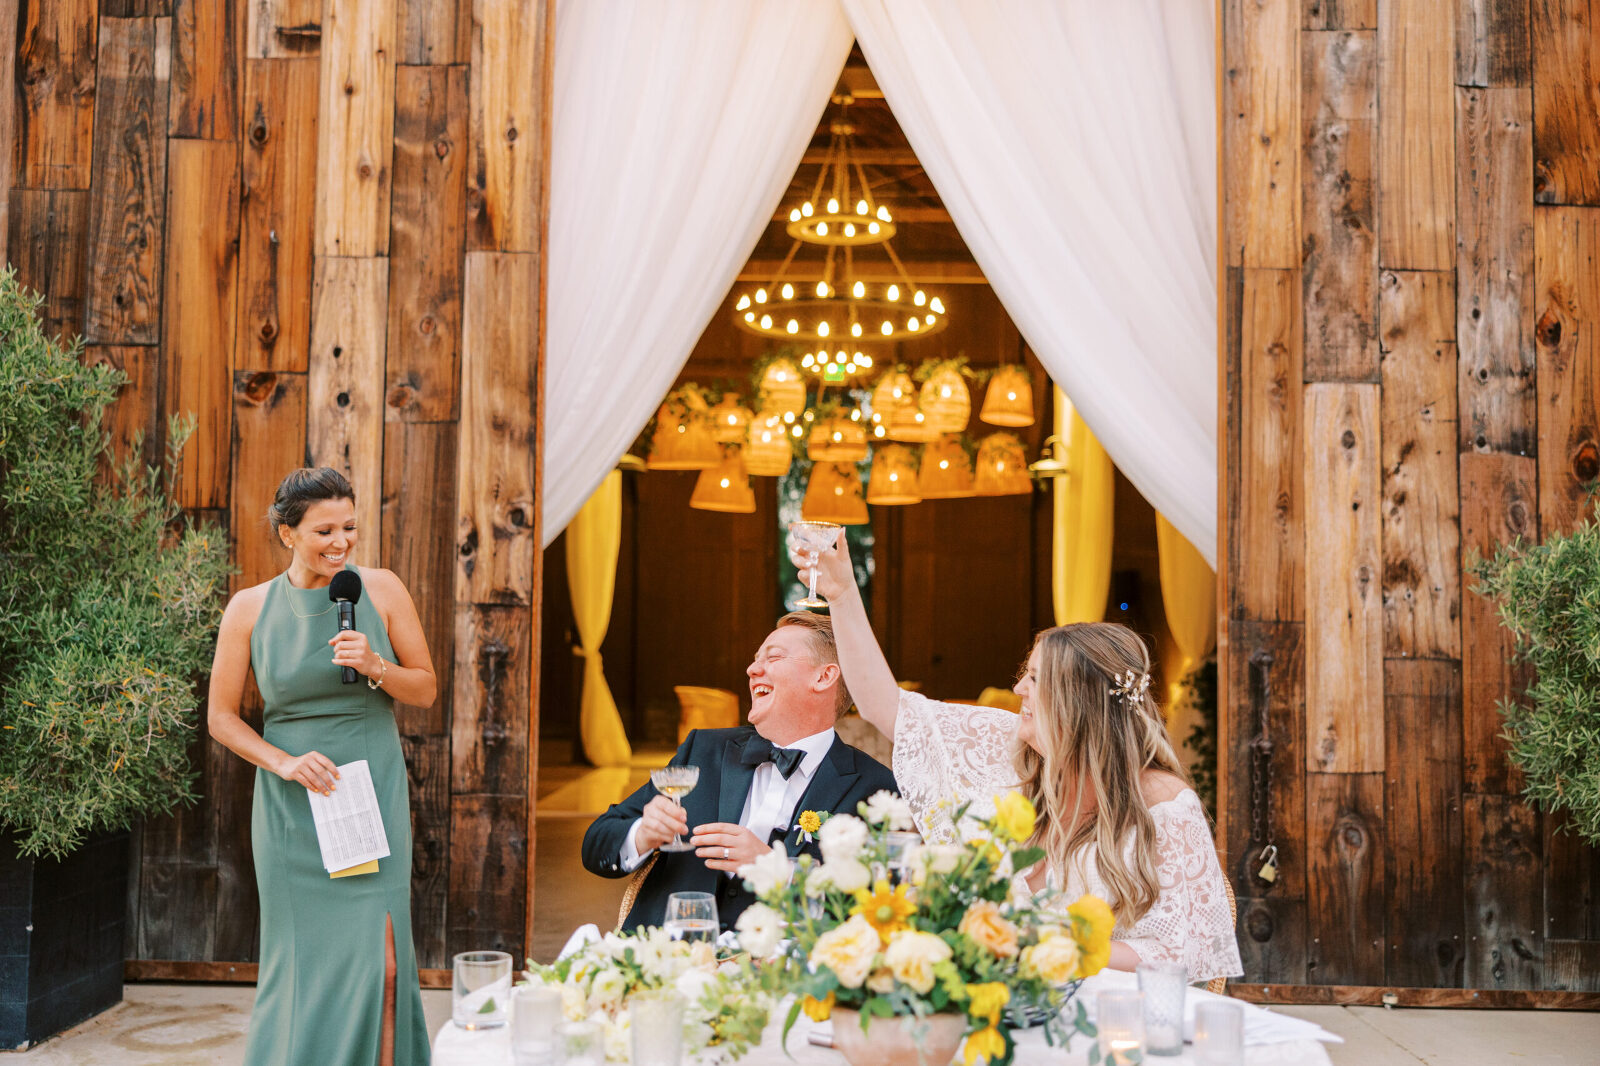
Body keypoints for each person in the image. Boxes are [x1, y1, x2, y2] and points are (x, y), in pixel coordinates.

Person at [795, 536, 1242, 983]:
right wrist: (842, 593)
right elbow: (882, 705)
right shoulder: (1005, 748)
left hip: (1104, 1016)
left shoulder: (1162, 803)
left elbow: (1183, 954)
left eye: (1035, 678)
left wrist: (1049, 943)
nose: (1020, 691)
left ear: (1077, 701)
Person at [209, 468, 434, 1065]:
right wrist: (282, 764)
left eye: (350, 528)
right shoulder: (248, 608)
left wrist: (375, 666)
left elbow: (426, 689)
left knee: (383, 964)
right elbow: (221, 719)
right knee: (300, 963)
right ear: (287, 533)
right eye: (324, 531)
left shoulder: (381, 589)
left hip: (370, 792)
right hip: (294, 809)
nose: (341, 543)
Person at [583, 611, 898, 932]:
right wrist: (643, 833)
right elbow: (596, 844)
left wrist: (777, 870)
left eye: (773, 657)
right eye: (755, 659)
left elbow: (879, 906)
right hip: (666, 964)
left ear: (823, 677)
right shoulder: (703, 750)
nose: (752, 669)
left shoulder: (875, 789)